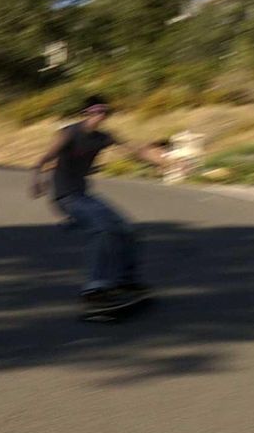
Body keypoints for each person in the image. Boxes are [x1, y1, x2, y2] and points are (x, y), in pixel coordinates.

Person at [29, 95, 166, 307]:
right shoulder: (69, 133)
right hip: (66, 197)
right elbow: (46, 157)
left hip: (83, 195)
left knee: (127, 230)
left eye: (104, 113)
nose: (100, 117)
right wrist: (37, 178)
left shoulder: (103, 137)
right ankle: (95, 287)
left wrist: (159, 161)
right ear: (86, 113)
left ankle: (125, 281)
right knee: (103, 230)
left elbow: (133, 150)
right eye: (95, 112)